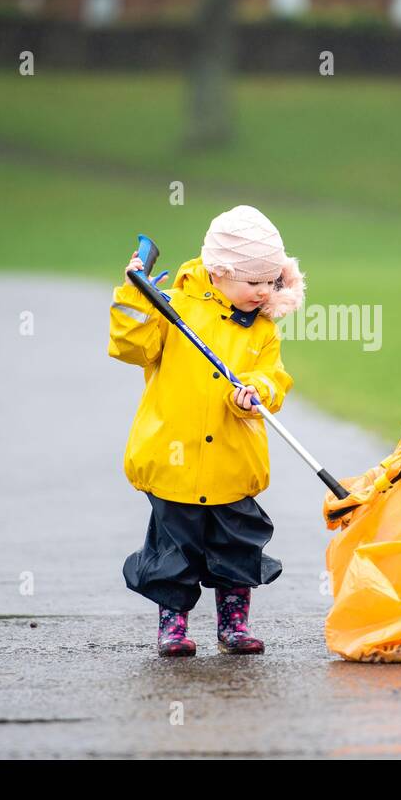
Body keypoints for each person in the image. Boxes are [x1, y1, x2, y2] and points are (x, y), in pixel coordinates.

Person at [109, 205, 305, 657]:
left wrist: (257, 390)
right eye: (252, 282)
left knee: (235, 550)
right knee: (173, 555)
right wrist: (134, 298)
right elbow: (131, 348)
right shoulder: (172, 307)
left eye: (270, 282)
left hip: (232, 463)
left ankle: (233, 625)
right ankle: (172, 627)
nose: (262, 292)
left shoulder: (261, 328)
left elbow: (273, 376)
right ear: (218, 272)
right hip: (173, 462)